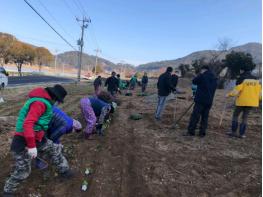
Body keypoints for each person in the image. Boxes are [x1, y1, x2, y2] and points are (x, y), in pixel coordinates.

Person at [3, 84, 73, 197]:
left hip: (37, 138)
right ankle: (8, 191)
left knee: (54, 149)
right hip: (23, 140)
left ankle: (64, 171)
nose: (58, 104)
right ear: (54, 98)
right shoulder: (39, 103)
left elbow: (40, 124)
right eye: (58, 101)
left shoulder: (44, 103)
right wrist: (31, 146)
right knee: (23, 170)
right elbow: (28, 124)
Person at [227, 69, 261, 138]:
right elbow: (260, 95)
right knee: (245, 118)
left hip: (241, 101)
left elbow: (236, 90)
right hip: (251, 103)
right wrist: (259, 100)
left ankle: (233, 132)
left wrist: (228, 95)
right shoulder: (257, 83)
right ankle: (241, 134)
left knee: (235, 115)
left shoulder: (244, 81)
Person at [184, 65, 217, 137]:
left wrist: (200, 74)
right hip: (209, 101)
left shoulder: (202, 75)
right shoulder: (214, 78)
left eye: (201, 71)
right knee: (205, 117)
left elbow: (194, 81)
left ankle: (191, 131)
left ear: (203, 70)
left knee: (195, 116)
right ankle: (202, 133)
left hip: (200, 100)